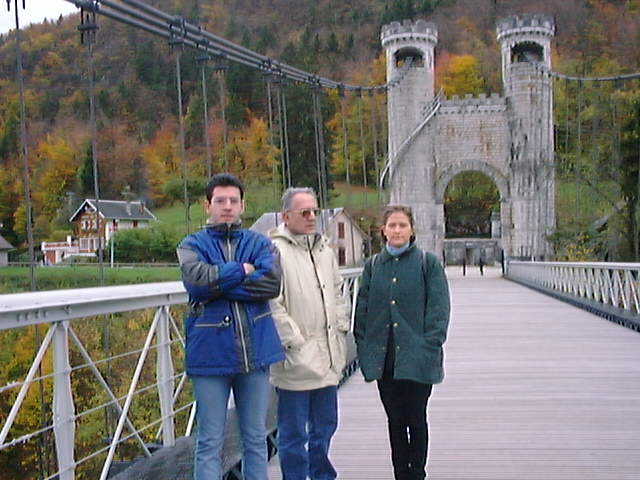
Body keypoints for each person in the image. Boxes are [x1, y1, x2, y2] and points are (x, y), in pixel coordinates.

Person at [177, 173, 284, 480]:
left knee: (255, 438)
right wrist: (241, 270)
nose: (227, 207)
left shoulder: (261, 243)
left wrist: (219, 282)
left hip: (256, 352)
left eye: (233, 201)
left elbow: (271, 283)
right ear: (207, 205)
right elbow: (197, 283)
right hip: (210, 355)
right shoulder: (190, 245)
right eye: (220, 201)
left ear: (242, 205)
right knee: (209, 440)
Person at [354, 205, 450, 480]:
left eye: (402, 225)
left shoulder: (427, 264)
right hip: (385, 360)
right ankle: (400, 474)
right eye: (392, 225)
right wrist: (363, 346)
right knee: (395, 421)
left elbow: (439, 310)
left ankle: (417, 473)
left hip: (418, 358)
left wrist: (430, 344)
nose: (397, 230)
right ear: (383, 231)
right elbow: (362, 310)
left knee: (416, 418)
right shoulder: (373, 267)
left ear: (412, 230)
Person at [268, 187, 350, 480]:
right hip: (295, 360)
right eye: (304, 212)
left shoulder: (325, 251)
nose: (312, 216)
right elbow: (271, 303)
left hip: (328, 354)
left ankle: (321, 476)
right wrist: (293, 342)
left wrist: (341, 327)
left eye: (315, 210)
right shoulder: (274, 251)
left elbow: (338, 292)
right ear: (286, 216)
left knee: (326, 426)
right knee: (292, 435)